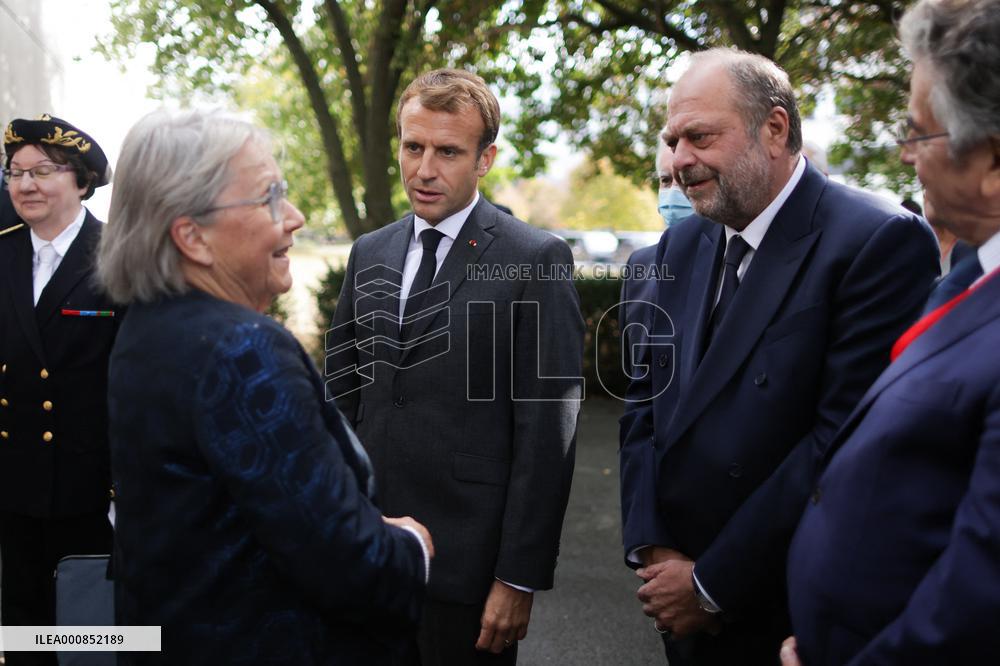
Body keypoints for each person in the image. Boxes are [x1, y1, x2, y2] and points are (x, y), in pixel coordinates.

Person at [618, 48, 939, 665]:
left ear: (774, 128)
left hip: (782, 611)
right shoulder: (679, 247)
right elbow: (644, 408)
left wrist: (711, 584)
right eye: (672, 140)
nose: (678, 160)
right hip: (675, 597)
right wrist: (653, 547)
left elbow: (841, 443)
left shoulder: (876, 240)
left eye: (699, 137)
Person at [95, 109, 430, 665]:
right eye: (270, 197)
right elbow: (350, 566)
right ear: (193, 236)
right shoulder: (241, 350)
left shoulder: (148, 326)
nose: (295, 217)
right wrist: (411, 544)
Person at [326, 68, 583, 665]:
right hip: (367, 552)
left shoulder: (535, 258)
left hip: (469, 569)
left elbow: (547, 434)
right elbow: (341, 399)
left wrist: (518, 577)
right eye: (412, 147)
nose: (424, 169)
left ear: (485, 158)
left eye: (447, 151)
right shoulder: (369, 252)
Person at [783, 0, 1000, 663]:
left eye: (918, 134)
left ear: (993, 161)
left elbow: (980, 595)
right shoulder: (970, 276)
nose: (905, 155)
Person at [0, 115, 115, 666]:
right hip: (14, 490)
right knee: (23, 641)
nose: (26, 184)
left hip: (92, 494)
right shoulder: (2, 252)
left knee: (95, 642)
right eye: (16, 172)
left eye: (42, 171)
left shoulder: (118, 255)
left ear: (82, 181)